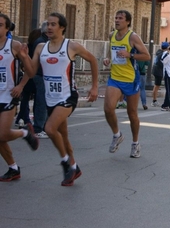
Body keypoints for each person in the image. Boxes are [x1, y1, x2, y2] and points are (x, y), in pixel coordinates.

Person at [29, 12, 99, 186]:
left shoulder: (71, 46)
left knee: (50, 128)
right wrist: (23, 56)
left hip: (68, 96)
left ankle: (65, 163)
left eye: (53, 24)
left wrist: (95, 86)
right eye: (47, 24)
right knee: (64, 137)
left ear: (62, 28)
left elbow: (92, 60)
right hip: (50, 98)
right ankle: (75, 167)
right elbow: (31, 72)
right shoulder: (40, 48)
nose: (49, 27)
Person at [103, 10, 151, 160]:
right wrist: (107, 59)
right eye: (116, 18)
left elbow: (147, 56)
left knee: (132, 114)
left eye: (120, 18)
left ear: (128, 22)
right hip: (115, 78)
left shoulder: (133, 37)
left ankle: (135, 143)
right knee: (108, 108)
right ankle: (117, 135)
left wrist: (130, 55)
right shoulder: (112, 35)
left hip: (131, 79)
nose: (117, 20)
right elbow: (112, 53)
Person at [0, 13, 39, 182]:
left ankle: (24, 132)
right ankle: (13, 168)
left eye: (0, 24)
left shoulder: (13, 45)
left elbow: (31, 72)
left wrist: (21, 85)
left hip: (9, 95)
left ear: (7, 28)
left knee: (2, 134)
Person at [14, 28, 41, 129]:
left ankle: (23, 118)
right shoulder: (37, 47)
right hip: (34, 77)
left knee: (25, 99)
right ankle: (26, 120)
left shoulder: (26, 47)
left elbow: (27, 66)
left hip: (28, 77)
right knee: (35, 100)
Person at [151, 42, 168, 107]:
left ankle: (154, 100)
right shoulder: (163, 54)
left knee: (156, 86)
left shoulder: (158, 52)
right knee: (156, 86)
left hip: (155, 70)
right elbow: (162, 63)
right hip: (158, 71)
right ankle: (154, 100)